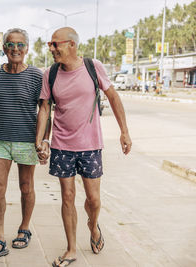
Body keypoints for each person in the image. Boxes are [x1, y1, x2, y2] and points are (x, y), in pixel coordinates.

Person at [35, 27, 132, 267]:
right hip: (62, 145)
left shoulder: (93, 67)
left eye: (55, 44)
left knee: (94, 200)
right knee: (67, 196)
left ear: (71, 45)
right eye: (50, 44)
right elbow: (45, 107)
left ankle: (93, 225)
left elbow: (113, 97)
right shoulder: (50, 74)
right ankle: (70, 249)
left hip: (90, 145)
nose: (51, 48)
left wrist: (124, 131)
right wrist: (41, 139)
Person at [0, 28, 44, 259]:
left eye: (20, 45)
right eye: (11, 44)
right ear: (3, 48)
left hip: (26, 141)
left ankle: (24, 228)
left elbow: (45, 110)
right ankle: (0, 238)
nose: (15, 49)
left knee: (26, 187)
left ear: (27, 49)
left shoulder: (36, 76)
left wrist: (43, 140)